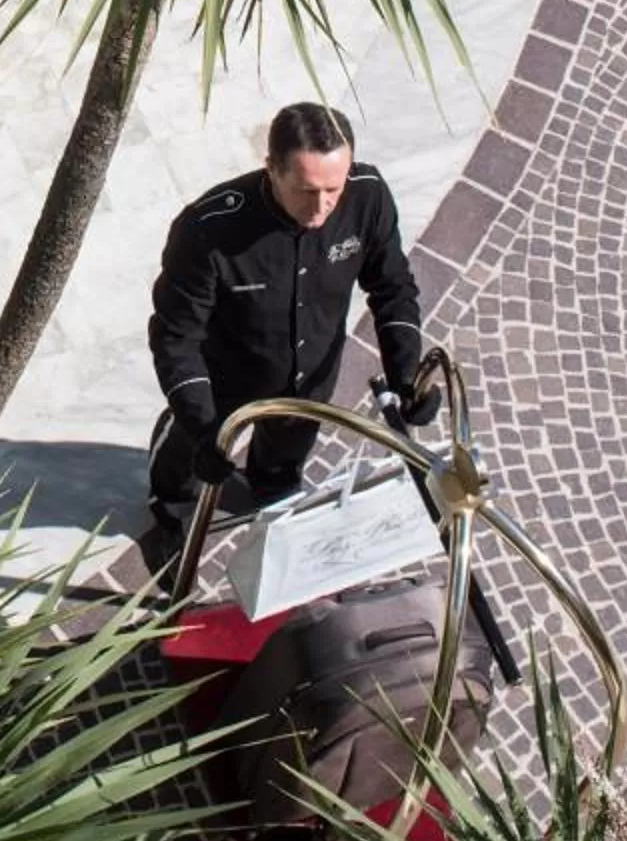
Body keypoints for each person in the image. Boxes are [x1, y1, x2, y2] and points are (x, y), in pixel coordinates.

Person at [137, 101, 440, 579]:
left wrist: (408, 374)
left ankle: (270, 498)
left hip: (309, 384)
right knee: (186, 465)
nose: (320, 208)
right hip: (222, 387)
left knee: (280, 473)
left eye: (332, 191)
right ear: (272, 171)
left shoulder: (368, 196)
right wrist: (203, 427)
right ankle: (170, 517)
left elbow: (393, 287)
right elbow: (175, 338)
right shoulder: (206, 230)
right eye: (305, 191)